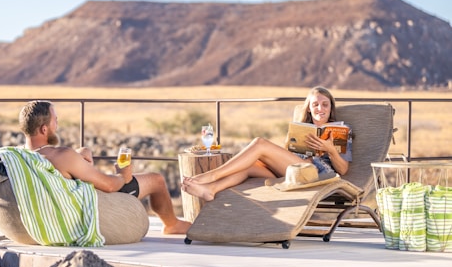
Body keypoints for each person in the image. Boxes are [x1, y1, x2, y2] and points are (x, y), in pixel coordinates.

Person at [18, 100, 191, 235]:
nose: (57, 125)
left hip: (54, 210)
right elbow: (109, 185)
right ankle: (172, 225)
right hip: (97, 206)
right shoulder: (63, 155)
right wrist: (122, 175)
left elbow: (61, 167)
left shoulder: (20, 156)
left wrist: (80, 154)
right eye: (55, 121)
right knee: (156, 180)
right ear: (44, 129)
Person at [181, 86, 351, 201]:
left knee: (260, 143)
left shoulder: (340, 131)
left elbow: (343, 170)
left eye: (324, 105)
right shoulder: (302, 128)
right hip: (289, 171)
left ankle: (212, 175)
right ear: (309, 108)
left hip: (316, 175)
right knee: (248, 166)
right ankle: (211, 189)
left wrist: (330, 150)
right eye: (315, 104)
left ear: (330, 108)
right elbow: (286, 155)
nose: (320, 109)